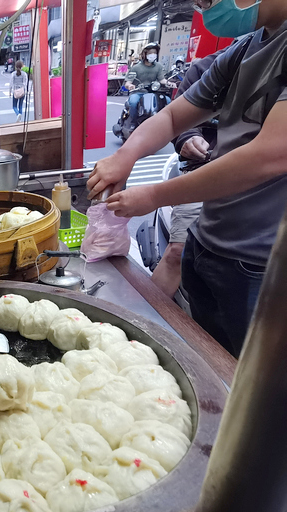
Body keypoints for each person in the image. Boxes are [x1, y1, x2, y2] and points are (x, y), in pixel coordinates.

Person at [87, 0, 287, 357]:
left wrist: (155, 196)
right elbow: (173, 117)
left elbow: (269, 156)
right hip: (210, 242)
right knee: (215, 364)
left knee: (259, 395)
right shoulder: (245, 48)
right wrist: (124, 156)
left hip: (264, 267)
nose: (207, 8)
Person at [150, 49, 224, 298]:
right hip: (202, 171)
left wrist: (151, 196)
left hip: (259, 187)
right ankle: (144, 320)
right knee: (177, 251)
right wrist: (189, 137)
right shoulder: (215, 66)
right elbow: (174, 118)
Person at [124, 42, 172, 125]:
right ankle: (133, 122)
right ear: (144, 54)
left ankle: (166, 124)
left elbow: (162, 80)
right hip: (138, 93)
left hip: (153, 93)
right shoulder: (136, 67)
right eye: (150, 53)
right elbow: (128, 82)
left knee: (168, 101)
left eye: (154, 53)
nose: (152, 55)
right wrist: (130, 85)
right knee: (133, 102)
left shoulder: (158, 66)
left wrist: (169, 83)